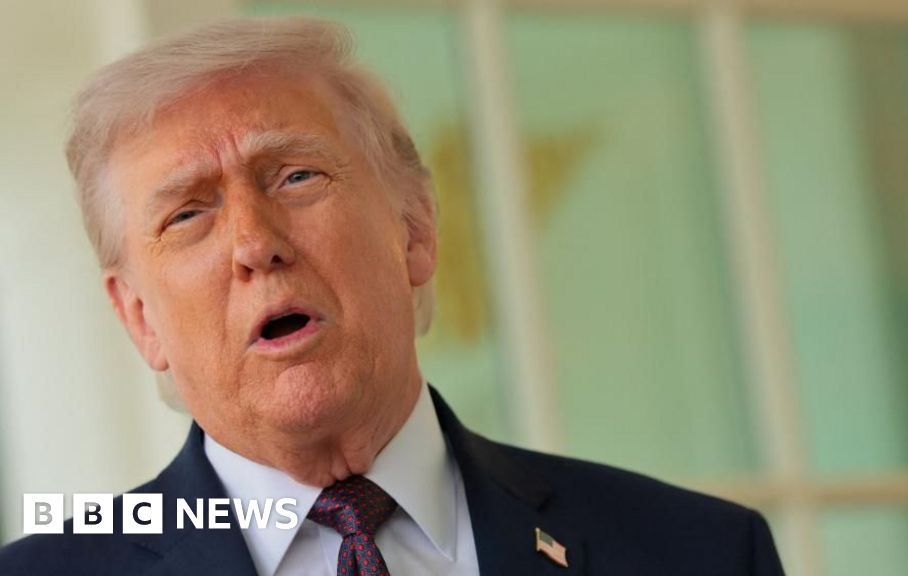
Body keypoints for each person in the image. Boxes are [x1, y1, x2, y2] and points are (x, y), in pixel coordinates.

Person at [0, 17, 784, 576]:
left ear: (414, 229)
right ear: (139, 318)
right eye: (187, 214)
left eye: (295, 175)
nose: (253, 243)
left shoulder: (700, 552)